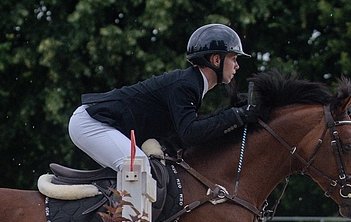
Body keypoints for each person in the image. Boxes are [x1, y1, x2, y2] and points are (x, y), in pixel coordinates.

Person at [68, 24, 255, 174]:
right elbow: (189, 133)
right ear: (216, 60)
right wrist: (235, 116)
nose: (237, 66)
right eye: (234, 58)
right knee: (139, 170)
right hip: (92, 122)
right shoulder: (186, 85)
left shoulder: (193, 84)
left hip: (100, 123)